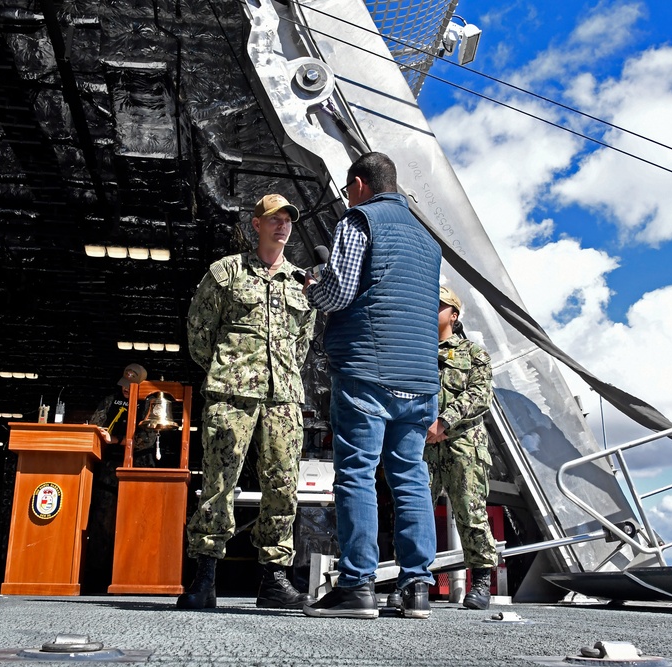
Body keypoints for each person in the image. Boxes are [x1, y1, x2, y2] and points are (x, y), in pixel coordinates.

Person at [302, 152, 442, 620]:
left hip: (368, 369)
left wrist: (313, 288)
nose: (346, 197)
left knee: (358, 472)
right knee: (410, 476)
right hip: (420, 377)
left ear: (359, 184)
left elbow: (339, 291)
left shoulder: (359, 221)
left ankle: (358, 586)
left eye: (347, 189)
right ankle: (417, 588)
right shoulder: (428, 239)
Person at [177, 193, 317, 610]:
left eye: (289, 219)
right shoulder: (226, 272)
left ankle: (274, 578)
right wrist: (228, 368)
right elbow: (199, 331)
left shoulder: (300, 282)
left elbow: (303, 341)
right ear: (256, 224)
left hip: (284, 398)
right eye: (274, 218)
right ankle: (205, 576)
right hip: (232, 393)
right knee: (219, 481)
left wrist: (281, 374)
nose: (283, 225)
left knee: (283, 484)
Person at [388, 286, 499, 610]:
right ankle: (407, 580)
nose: (431, 310)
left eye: (439, 306)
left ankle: (479, 581)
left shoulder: (472, 354)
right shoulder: (413, 352)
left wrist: (444, 423)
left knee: (470, 512)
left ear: (453, 314)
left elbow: (480, 395)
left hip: (463, 445)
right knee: (411, 511)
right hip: (420, 446)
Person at [87, 363, 156, 590]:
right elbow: (95, 425)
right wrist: (97, 433)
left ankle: (135, 574)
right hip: (109, 468)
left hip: (140, 467)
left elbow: (148, 439)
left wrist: (117, 439)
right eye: (124, 385)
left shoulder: (151, 404)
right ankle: (98, 577)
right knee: (102, 521)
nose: (126, 390)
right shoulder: (110, 401)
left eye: (131, 386)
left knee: (137, 521)